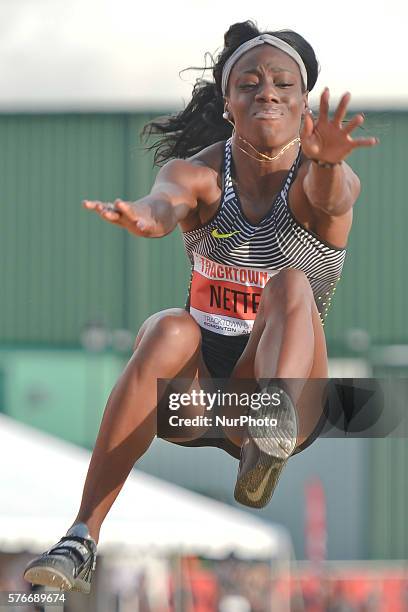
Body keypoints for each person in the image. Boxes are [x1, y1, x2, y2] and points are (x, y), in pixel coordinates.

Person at [23, 20, 378, 594]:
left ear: (303, 104)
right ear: (228, 101)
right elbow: (164, 202)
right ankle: (80, 538)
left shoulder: (320, 177)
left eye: (284, 85)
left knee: (289, 283)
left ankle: (270, 432)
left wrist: (331, 163)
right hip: (204, 402)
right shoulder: (201, 174)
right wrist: (143, 217)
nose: (267, 92)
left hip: (285, 393)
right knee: (167, 326)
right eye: (251, 83)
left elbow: (330, 198)